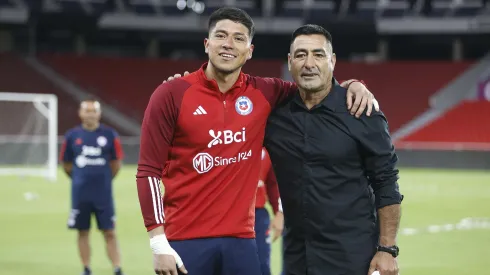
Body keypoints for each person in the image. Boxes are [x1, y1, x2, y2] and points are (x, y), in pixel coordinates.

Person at [136, 7, 378, 275]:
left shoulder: (265, 92)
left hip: (241, 241)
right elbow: (148, 172)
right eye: (221, 36)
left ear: (249, 50)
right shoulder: (171, 94)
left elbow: (317, 85)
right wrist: (159, 243)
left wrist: (354, 84)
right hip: (184, 240)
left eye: (239, 38)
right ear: (207, 44)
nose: (229, 44)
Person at [263, 24, 403, 275]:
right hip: (296, 256)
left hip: (352, 256)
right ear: (290, 61)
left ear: (333, 60)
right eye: (301, 55)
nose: (309, 63)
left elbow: (387, 183)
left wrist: (387, 249)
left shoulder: (362, 112)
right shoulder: (274, 116)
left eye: (318, 54)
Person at [60, 99, 126, 275]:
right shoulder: (72, 136)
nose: (90, 114)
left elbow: (116, 163)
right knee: (82, 231)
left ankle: (117, 268)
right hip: (80, 193)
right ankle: (86, 268)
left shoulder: (110, 135)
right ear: (80, 113)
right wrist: (79, 179)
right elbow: (66, 164)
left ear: (99, 113)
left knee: (109, 231)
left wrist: (103, 179)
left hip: (103, 193)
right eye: (86, 111)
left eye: (93, 111)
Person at [255, 147, 284, 275]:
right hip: (231, 216)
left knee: (262, 265)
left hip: (259, 215)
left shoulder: (267, 148)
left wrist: (279, 212)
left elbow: (272, 183)